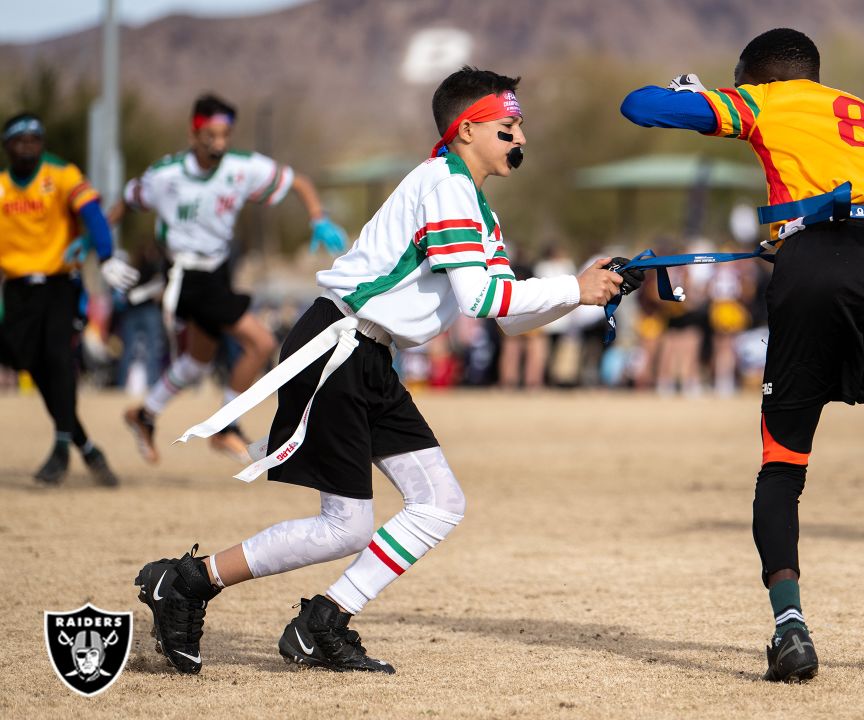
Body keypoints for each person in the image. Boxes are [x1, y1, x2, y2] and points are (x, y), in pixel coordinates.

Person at [132, 67, 639, 675]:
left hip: (365, 356)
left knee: (439, 502)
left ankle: (321, 622)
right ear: (467, 130)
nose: (520, 138)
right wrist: (573, 287)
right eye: (507, 128)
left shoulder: (474, 204)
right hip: (337, 347)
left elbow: (508, 318)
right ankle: (188, 582)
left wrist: (586, 294)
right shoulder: (445, 186)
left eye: (520, 127)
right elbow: (482, 300)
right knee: (345, 527)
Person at [621, 28, 864, 683]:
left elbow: (639, 106)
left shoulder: (765, 102)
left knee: (782, 469)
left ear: (757, 77)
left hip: (813, 271)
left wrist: (689, 95)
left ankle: (790, 629)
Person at [113, 94, 349, 465]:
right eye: (210, 134)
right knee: (260, 342)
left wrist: (317, 217)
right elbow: (126, 199)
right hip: (187, 275)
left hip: (218, 272)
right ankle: (225, 427)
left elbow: (298, 182)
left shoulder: (242, 167)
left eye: (225, 134)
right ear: (193, 134)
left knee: (197, 361)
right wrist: (99, 246)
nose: (219, 143)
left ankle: (145, 415)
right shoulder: (166, 175)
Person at [0, 112, 136, 486]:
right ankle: (86, 445)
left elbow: (92, 213)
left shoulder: (61, 174)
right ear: (7, 146)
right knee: (36, 368)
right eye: (19, 139)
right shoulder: (1, 187)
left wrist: (104, 254)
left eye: (35, 138)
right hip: (16, 291)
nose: (28, 145)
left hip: (60, 284)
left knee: (58, 359)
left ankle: (60, 449)